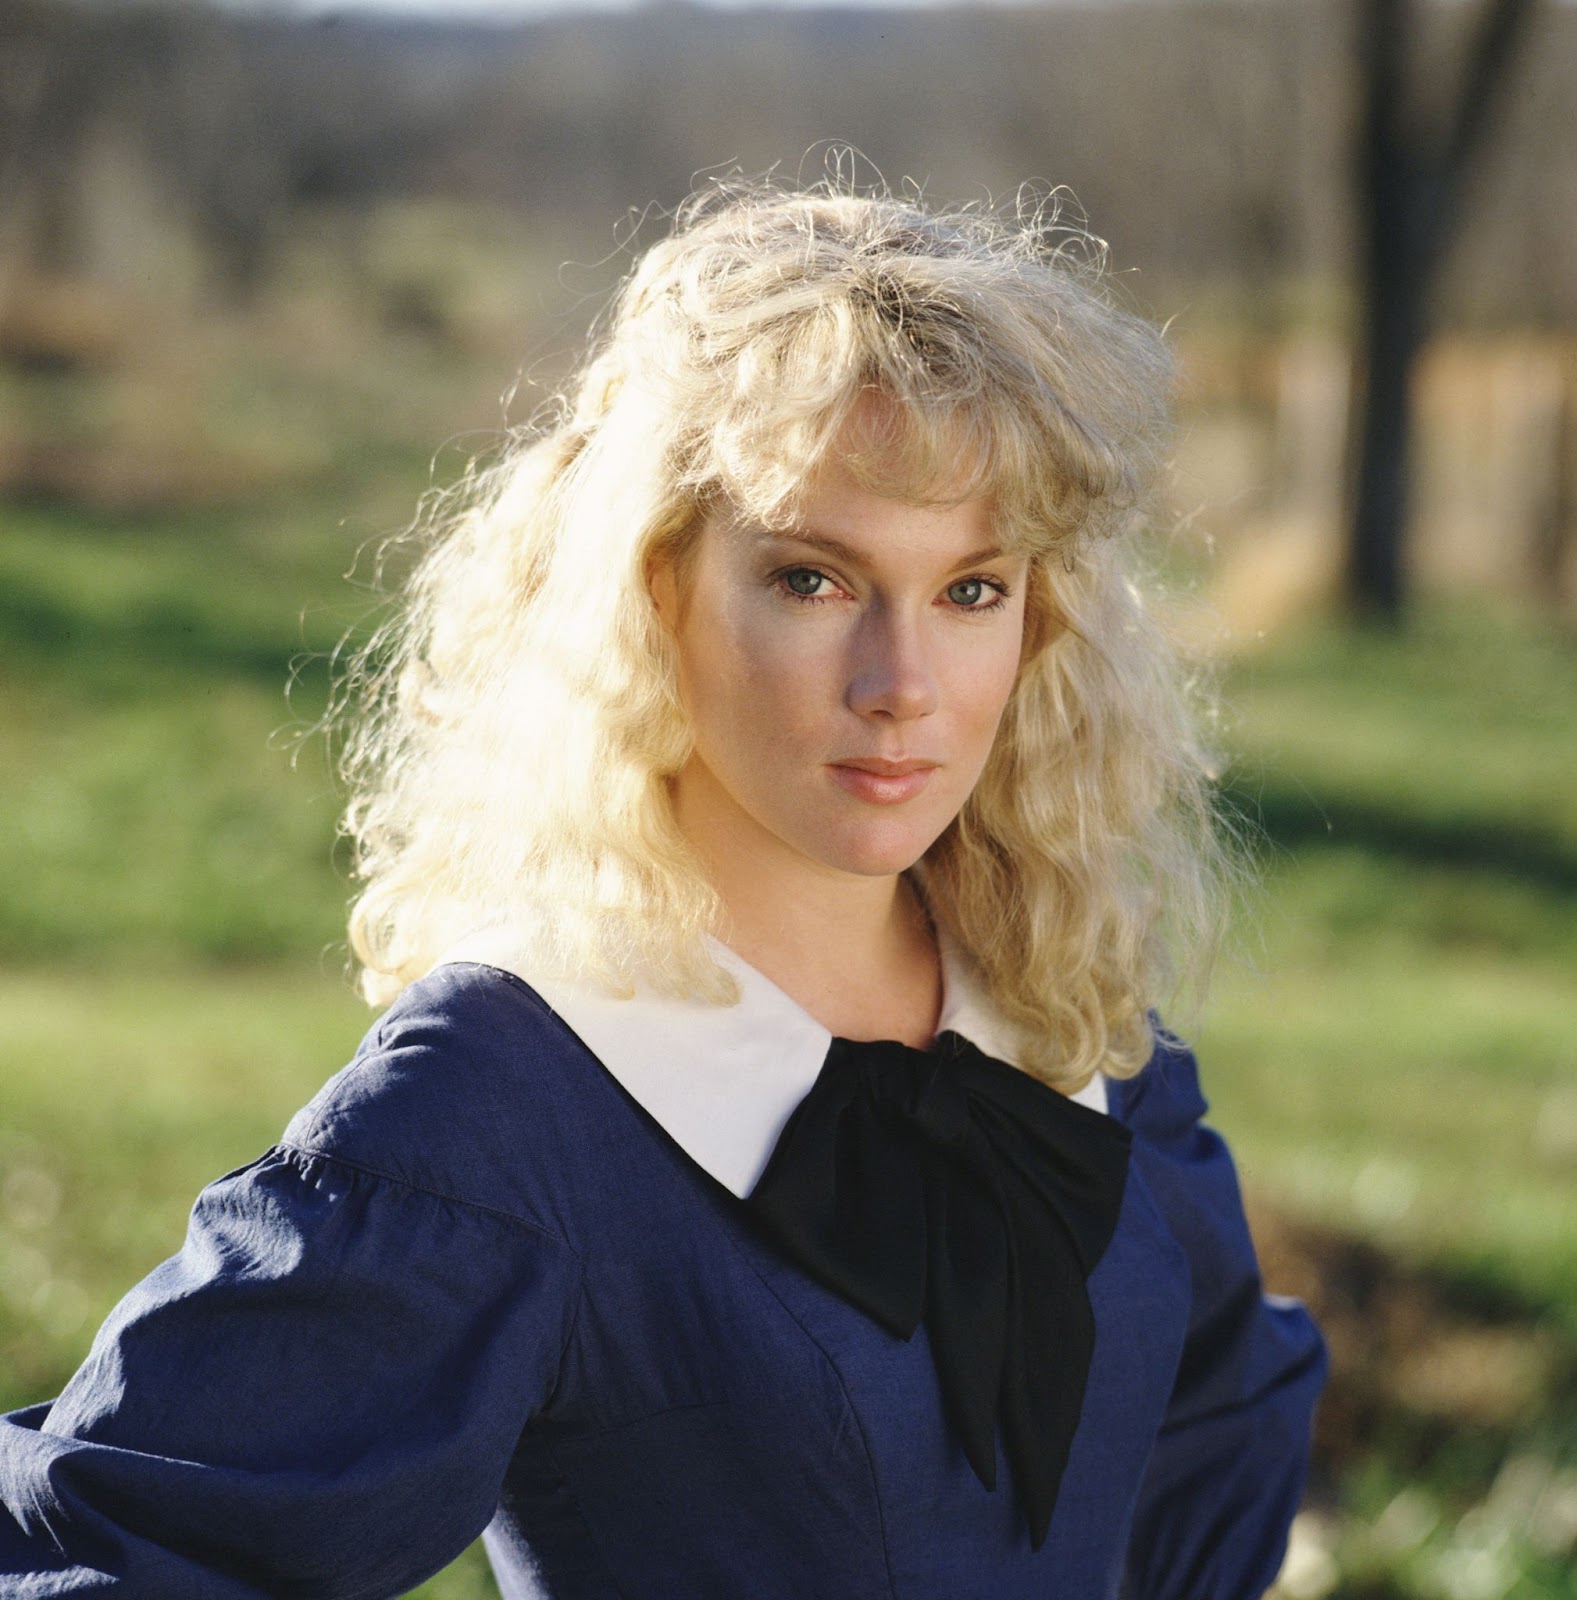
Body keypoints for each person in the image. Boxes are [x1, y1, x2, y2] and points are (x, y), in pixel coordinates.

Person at [0, 183, 1325, 1598]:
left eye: (969, 591)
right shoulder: (504, 1105)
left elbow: (1212, 1434)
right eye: (812, 581)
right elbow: (110, 1561)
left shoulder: (1060, 1000)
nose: (902, 688)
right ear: (649, 590)